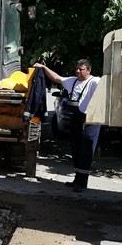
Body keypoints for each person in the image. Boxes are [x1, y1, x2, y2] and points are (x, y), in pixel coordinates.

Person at [34, 59, 101, 192]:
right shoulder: (73, 81)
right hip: (76, 120)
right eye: (76, 69)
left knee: (86, 151)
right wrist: (43, 67)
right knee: (76, 149)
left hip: (90, 121)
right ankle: (77, 179)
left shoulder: (95, 82)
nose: (77, 71)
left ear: (89, 70)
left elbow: (107, 86)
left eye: (81, 69)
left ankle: (82, 183)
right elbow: (57, 78)